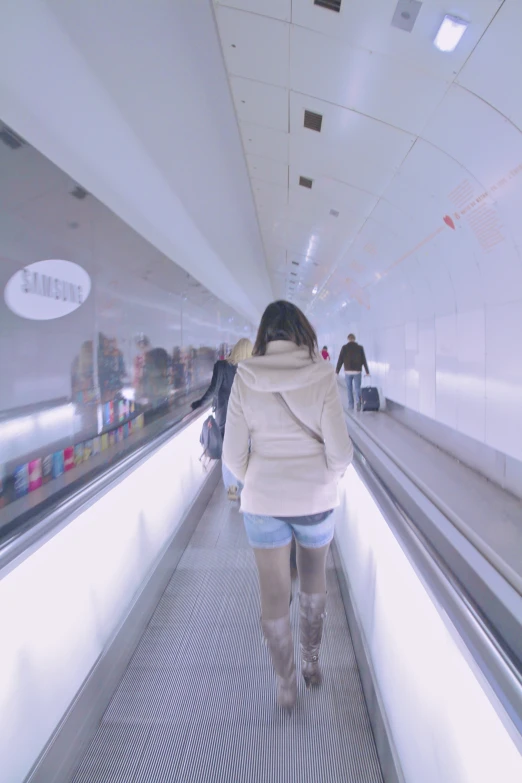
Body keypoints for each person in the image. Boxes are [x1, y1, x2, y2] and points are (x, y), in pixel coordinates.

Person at [223, 301, 353, 711]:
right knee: (314, 578)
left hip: (263, 503)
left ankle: (285, 682)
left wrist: (256, 478)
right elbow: (342, 453)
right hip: (315, 498)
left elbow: (231, 455)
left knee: (274, 593)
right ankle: (313, 662)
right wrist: (325, 477)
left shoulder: (246, 377)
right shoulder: (321, 376)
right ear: (302, 332)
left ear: (265, 335)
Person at [191, 338, 253, 498]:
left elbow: (213, 390)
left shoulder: (222, 366)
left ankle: (232, 490)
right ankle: (246, 488)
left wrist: (198, 404)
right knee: (245, 454)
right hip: (247, 419)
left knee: (228, 456)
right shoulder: (251, 369)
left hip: (225, 417)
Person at [335, 333, 369, 412]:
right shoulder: (360, 348)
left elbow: (340, 360)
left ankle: (351, 405)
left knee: (349, 389)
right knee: (357, 388)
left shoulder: (344, 348)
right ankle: (358, 404)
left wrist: (337, 371)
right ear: (354, 339)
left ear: (348, 339)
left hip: (348, 371)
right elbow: (364, 360)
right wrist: (367, 371)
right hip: (357, 371)